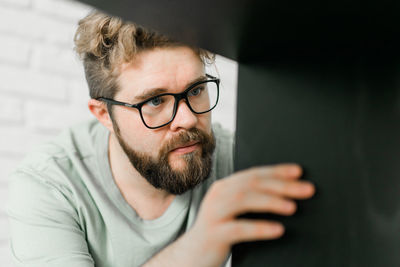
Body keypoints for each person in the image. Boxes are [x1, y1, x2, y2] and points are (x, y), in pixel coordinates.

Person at [7, 11, 315, 267]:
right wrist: (196, 248)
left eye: (195, 90)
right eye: (154, 101)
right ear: (103, 114)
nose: (188, 119)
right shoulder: (49, 186)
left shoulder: (237, 160)